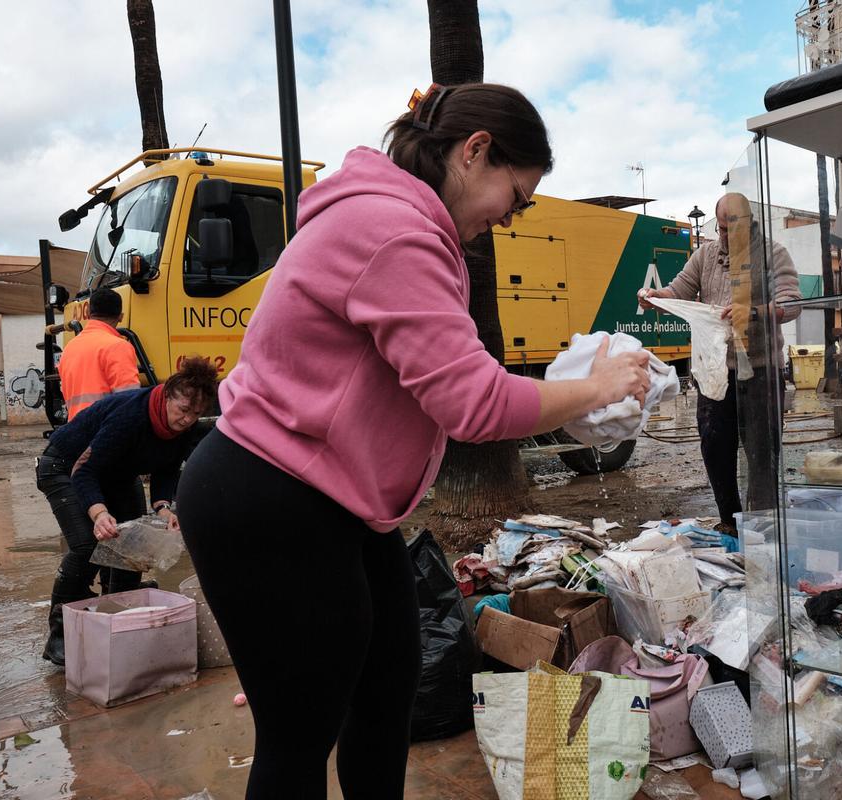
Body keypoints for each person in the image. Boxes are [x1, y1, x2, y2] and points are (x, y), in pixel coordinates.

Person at [175, 83, 651, 800]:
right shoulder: (392, 229)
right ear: (475, 152)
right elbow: (475, 403)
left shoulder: (402, 221)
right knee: (299, 735)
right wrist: (598, 387)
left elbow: (446, 377)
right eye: (515, 197)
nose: (508, 219)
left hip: (339, 505)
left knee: (387, 690)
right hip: (271, 500)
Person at [35, 357, 218, 666]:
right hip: (65, 467)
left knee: (132, 545)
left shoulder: (183, 429)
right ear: (167, 395)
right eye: (183, 410)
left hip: (117, 474)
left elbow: (167, 469)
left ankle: (119, 618)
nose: (187, 420)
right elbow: (85, 471)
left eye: (196, 414)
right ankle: (60, 635)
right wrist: (99, 514)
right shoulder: (131, 416)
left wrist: (163, 507)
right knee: (86, 544)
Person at [638, 192, 802, 533]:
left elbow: (792, 303)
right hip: (716, 372)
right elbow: (679, 289)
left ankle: (763, 525)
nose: (727, 236)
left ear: (750, 221)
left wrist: (754, 312)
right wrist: (658, 298)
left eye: (734, 228)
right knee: (715, 446)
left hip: (760, 370)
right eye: (723, 229)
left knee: (761, 452)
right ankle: (729, 519)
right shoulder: (706, 254)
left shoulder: (772, 253)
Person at [57, 287, 140, 420]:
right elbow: (128, 402)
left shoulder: (69, 348)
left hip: (75, 431)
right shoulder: (118, 347)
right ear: (120, 317)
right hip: (104, 431)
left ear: (89, 312)